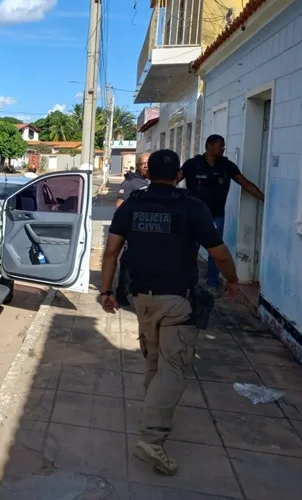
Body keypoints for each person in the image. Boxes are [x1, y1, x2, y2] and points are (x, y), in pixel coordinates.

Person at [100, 149, 240, 476]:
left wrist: (107, 291)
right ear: (179, 174)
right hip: (177, 300)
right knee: (173, 367)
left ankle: (152, 414)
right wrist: (232, 279)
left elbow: (110, 252)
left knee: (154, 361)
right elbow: (218, 253)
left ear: (148, 174)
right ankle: (152, 438)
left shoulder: (133, 204)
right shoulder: (192, 206)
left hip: (141, 300)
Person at [181, 135, 264, 293]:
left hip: (216, 216)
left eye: (223, 146)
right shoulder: (192, 164)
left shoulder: (227, 166)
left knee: (215, 251)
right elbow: (174, 179)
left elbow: (245, 183)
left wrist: (264, 199)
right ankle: (188, 283)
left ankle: (213, 283)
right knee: (190, 249)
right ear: (210, 146)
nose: (223, 149)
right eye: (221, 145)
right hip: (192, 216)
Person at [115, 152, 151, 306]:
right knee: (129, 262)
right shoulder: (130, 182)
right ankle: (122, 292)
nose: (146, 166)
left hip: (153, 230)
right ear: (138, 165)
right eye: (143, 163)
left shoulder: (157, 181)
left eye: (149, 162)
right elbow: (119, 206)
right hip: (135, 230)